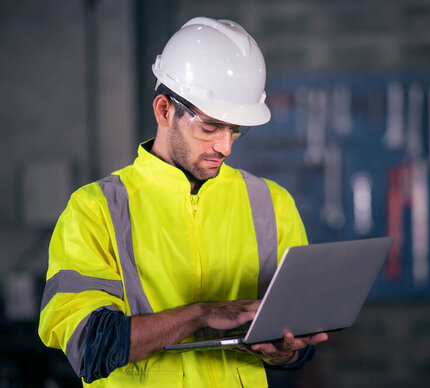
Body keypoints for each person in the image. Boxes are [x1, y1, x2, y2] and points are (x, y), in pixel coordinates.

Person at [38, 17, 327, 387]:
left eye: (235, 130)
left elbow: (297, 335)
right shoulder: (95, 210)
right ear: (164, 110)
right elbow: (90, 345)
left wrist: (286, 351)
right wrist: (201, 315)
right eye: (210, 127)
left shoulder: (271, 204)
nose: (224, 146)